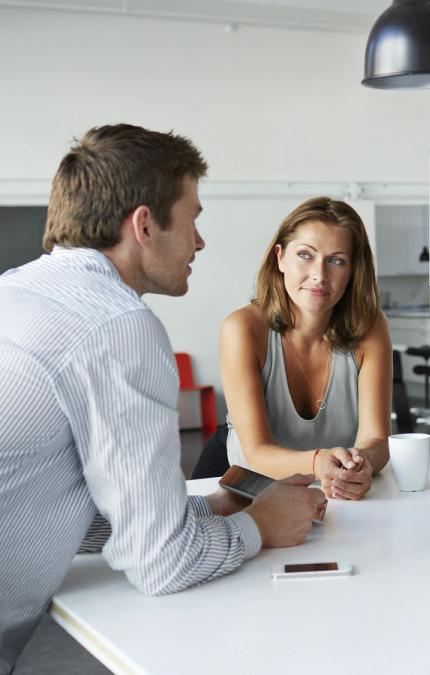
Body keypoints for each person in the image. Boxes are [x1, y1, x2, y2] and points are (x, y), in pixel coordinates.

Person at [0, 124, 327, 673]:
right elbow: (160, 564)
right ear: (145, 224)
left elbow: (41, 498)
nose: (199, 241)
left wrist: (203, 510)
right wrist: (260, 528)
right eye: (194, 217)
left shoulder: (16, 289)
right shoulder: (116, 323)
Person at [219, 197, 391, 500]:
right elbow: (258, 452)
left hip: (335, 498)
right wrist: (317, 463)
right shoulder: (242, 329)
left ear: (353, 270)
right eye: (305, 255)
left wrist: (362, 465)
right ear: (280, 258)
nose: (319, 274)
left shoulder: (371, 327)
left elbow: (376, 439)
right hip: (254, 496)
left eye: (336, 260)